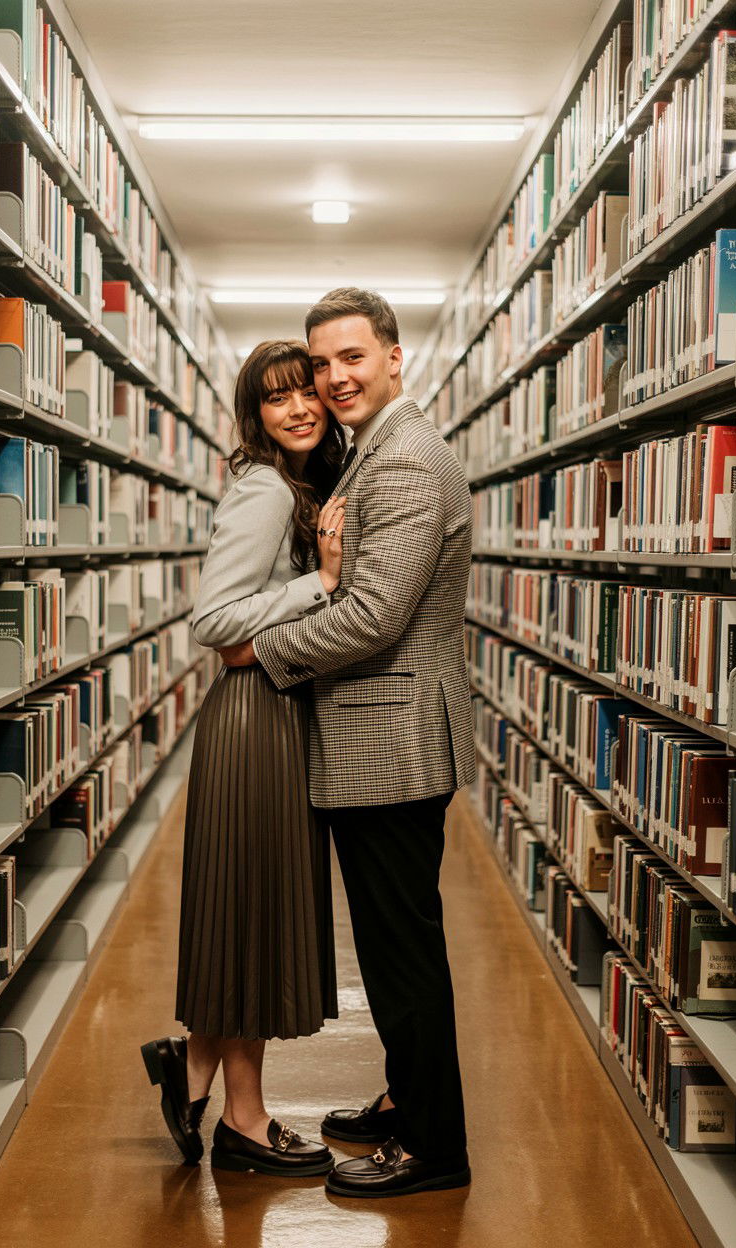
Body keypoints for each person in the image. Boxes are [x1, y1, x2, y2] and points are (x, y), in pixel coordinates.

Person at [219, 288, 476, 1199]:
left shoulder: (403, 464)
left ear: (395, 357)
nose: (334, 379)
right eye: (323, 363)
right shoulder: (374, 452)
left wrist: (262, 650)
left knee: (403, 955)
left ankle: (435, 1150)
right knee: (394, 943)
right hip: (383, 737)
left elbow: (370, 616)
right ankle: (409, 1100)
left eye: (352, 359)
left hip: (390, 743)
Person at [141, 340, 347, 1177]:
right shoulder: (265, 489)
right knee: (254, 915)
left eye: (306, 392)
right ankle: (245, 1119)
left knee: (246, 912)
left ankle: (193, 1071)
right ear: (253, 416)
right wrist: (320, 586)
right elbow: (213, 622)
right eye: (274, 399)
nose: (297, 408)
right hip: (252, 726)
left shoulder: (305, 486)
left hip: (275, 713)